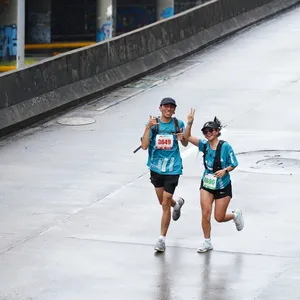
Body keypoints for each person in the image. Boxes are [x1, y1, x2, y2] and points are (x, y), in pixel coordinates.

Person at [183, 109, 244, 253]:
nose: (208, 133)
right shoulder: (204, 145)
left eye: (210, 130)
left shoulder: (225, 146)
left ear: (217, 131)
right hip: (207, 183)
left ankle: (235, 215)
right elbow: (187, 137)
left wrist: (225, 170)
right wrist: (190, 123)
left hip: (223, 184)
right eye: (205, 131)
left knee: (219, 217)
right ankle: (207, 241)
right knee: (205, 212)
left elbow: (234, 163)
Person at [141, 97, 188, 252]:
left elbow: (185, 142)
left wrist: (185, 132)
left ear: (174, 110)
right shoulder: (154, 125)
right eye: (166, 107)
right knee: (163, 201)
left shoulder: (177, 124)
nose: (168, 109)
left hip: (173, 169)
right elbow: (144, 146)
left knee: (164, 203)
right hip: (156, 168)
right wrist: (147, 128)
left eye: (171, 107)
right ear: (160, 108)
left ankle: (161, 239)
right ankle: (177, 204)